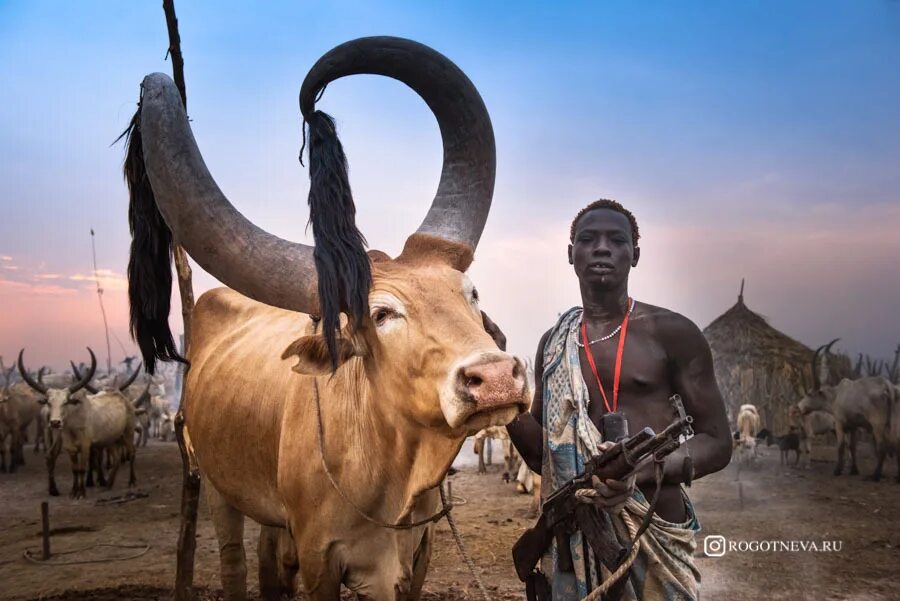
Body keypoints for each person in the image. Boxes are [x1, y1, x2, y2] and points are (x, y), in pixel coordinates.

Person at [507, 199, 733, 601]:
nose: (601, 248)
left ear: (636, 254)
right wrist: (504, 403)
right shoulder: (554, 342)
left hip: (652, 529)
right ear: (570, 253)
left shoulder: (673, 333)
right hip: (570, 539)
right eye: (588, 239)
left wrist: (642, 471)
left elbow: (717, 441)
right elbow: (541, 456)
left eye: (617, 239)